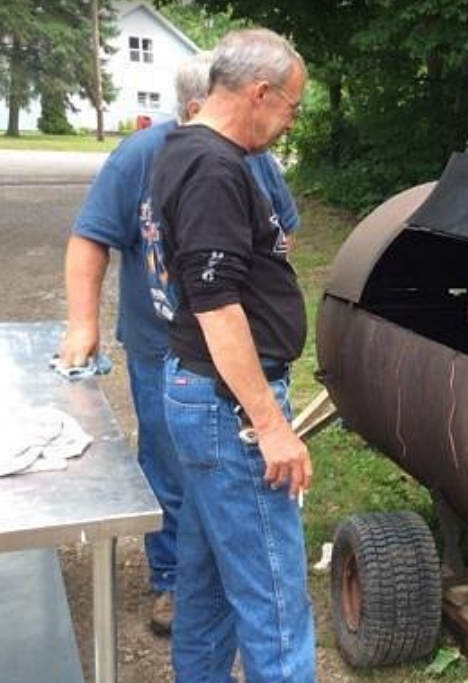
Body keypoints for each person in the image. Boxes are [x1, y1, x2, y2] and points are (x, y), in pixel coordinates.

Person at [60, 51, 301, 636]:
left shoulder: (253, 155)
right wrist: (82, 323)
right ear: (199, 106)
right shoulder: (146, 156)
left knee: (207, 476)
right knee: (170, 465)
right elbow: (90, 237)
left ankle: (198, 578)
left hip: (223, 349)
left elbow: (282, 227)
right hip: (163, 344)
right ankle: (170, 578)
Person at [149, 28, 315, 683]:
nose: (290, 121)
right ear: (259, 92)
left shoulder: (184, 147)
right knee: (276, 601)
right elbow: (218, 306)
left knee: (209, 584)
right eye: (292, 108)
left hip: (199, 395)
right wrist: (271, 425)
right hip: (230, 410)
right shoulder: (216, 168)